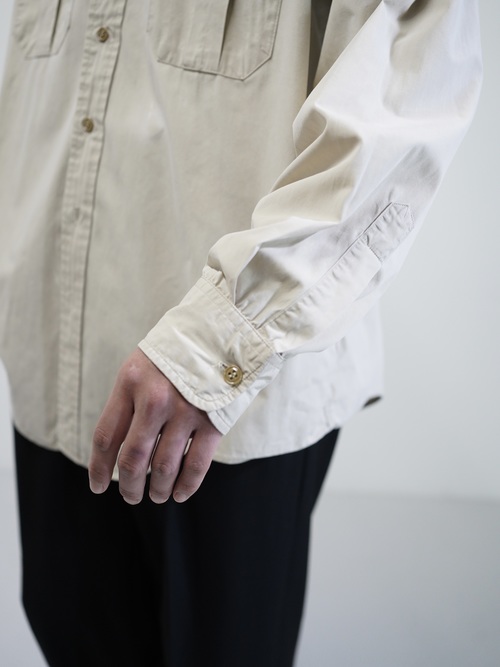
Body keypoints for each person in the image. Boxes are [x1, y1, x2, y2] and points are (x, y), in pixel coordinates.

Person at [0, 1, 482, 666]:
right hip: (52, 358)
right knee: (71, 630)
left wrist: (215, 345)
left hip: (228, 400)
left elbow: (402, 111)